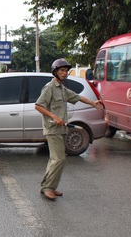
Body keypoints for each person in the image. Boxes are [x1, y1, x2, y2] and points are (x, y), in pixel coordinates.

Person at [35, 58, 103, 200]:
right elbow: (38, 106)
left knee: (55, 159)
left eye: (66, 71)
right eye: (62, 70)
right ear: (55, 72)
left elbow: (77, 97)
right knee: (59, 159)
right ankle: (48, 188)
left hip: (61, 129)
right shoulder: (49, 88)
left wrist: (93, 102)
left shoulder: (62, 89)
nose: (65, 73)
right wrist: (54, 116)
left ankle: (48, 186)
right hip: (53, 129)